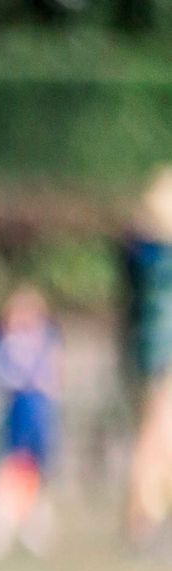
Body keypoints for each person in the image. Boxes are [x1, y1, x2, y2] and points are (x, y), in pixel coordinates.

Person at [0, 284, 64, 559]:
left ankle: (33, 529)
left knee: (38, 474)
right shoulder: (3, 343)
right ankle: (3, 529)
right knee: (13, 471)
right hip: (17, 414)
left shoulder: (47, 339)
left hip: (40, 416)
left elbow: (55, 374)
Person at [121, 168, 172, 549]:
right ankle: (145, 521)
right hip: (162, 353)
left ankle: (147, 518)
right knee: (158, 437)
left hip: (149, 351)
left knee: (155, 436)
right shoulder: (157, 258)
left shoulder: (143, 253)